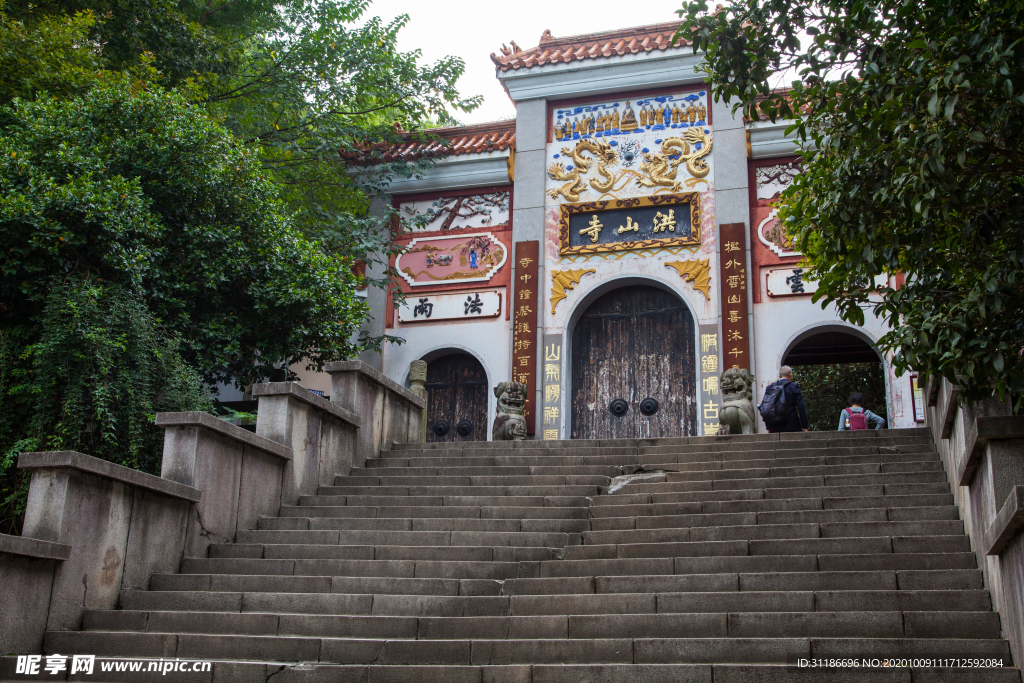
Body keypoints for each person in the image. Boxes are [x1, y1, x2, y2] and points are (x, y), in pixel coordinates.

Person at [760, 365, 809, 433]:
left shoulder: (770, 387)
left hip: (774, 426)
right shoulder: (794, 386)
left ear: (779, 376)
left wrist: (769, 426)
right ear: (790, 374)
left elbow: (766, 406)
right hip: (791, 425)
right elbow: (801, 407)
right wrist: (804, 426)